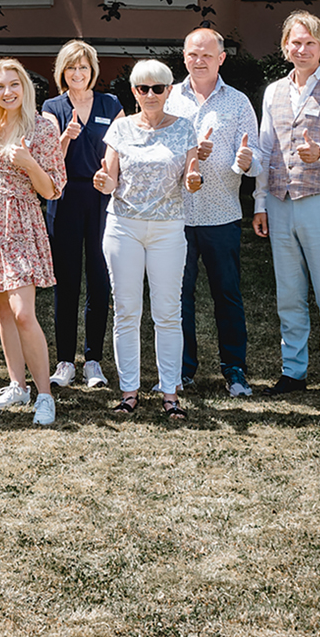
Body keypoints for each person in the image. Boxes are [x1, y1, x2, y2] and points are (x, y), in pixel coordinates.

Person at [250, 11, 320, 403]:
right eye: (295, 43)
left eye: (309, 43)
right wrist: (260, 202)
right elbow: (266, 150)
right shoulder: (273, 92)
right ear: (285, 48)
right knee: (289, 293)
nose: (302, 49)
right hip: (281, 203)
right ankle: (294, 371)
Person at [94, 60, 203, 421]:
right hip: (123, 226)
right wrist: (103, 182)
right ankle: (129, 393)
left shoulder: (185, 128)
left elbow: (191, 173)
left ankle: (170, 394)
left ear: (169, 90)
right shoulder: (120, 128)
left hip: (168, 228)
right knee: (126, 311)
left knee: (168, 314)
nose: (151, 95)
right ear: (134, 92)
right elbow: (110, 178)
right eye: (143, 89)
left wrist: (193, 180)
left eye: (158, 88)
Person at [0, 58, 66, 426]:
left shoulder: (42, 127)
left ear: (25, 87)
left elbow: (52, 189)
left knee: (24, 312)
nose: (7, 92)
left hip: (22, 219)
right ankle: (17, 385)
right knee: (5, 310)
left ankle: (44, 395)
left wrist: (27, 161)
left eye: (14, 85)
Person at [165, 27, 258, 397]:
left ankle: (235, 370)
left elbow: (254, 157)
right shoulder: (168, 98)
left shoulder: (238, 103)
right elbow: (156, 155)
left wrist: (246, 162)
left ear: (221, 58)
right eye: (192, 54)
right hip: (176, 216)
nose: (199, 60)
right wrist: (188, 156)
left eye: (207, 54)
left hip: (222, 214)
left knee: (228, 295)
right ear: (184, 57)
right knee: (178, 297)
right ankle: (182, 370)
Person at [41, 39, 123, 389]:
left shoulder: (111, 104)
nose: (78, 73)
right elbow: (46, 161)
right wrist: (64, 137)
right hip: (64, 198)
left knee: (100, 279)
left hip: (103, 198)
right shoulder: (51, 107)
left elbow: (121, 151)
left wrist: (112, 178)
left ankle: (93, 361)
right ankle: (64, 362)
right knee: (67, 281)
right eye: (72, 67)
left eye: (84, 67)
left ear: (93, 71)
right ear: (63, 71)